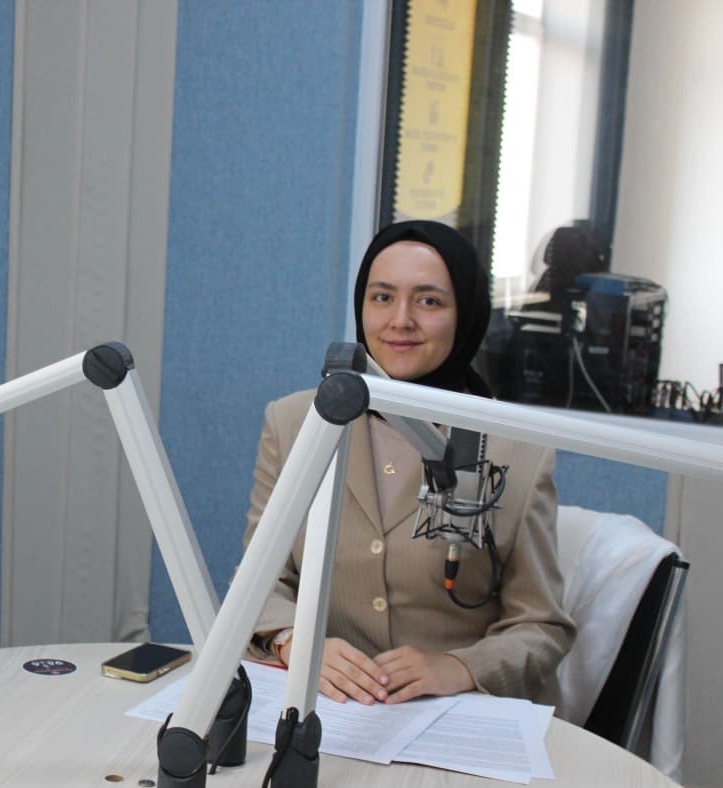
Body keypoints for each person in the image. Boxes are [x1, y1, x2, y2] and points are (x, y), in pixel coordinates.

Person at [246, 220, 574, 707]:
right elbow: (260, 582)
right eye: (382, 297)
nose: (400, 320)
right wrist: (293, 640)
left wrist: (461, 667)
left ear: (466, 316)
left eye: (429, 301)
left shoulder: (517, 448)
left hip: (452, 713)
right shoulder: (296, 423)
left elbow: (542, 627)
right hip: (330, 708)